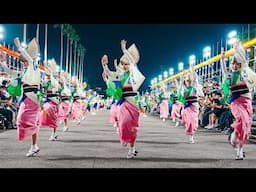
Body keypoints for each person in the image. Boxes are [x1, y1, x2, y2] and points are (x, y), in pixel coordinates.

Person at [101, 39, 145, 159]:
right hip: (124, 103)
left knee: (133, 128)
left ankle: (132, 149)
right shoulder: (120, 76)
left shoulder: (134, 74)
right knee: (123, 123)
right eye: (123, 64)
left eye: (127, 64)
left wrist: (124, 50)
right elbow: (110, 75)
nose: (125, 66)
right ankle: (124, 137)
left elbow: (133, 62)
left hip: (133, 103)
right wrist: (104, 65)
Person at [220, 41, 256, 160]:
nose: (234, 65)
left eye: (236, 63)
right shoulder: (229, 76)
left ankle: (239, 150)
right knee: (241, 119)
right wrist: (222, 59)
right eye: (233, 64)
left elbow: (244, 60)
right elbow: (224, 70)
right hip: (236, 102)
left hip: (247, 102)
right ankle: (235, 138)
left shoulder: (244, 72)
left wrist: (237, 49)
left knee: (245, 125)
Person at [14, 37, 41, 157]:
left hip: (32, 98)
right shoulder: (26, 71)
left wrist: (20, 47)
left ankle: (34, 146)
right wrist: (2, 63)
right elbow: (10, 72)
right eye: (23, 61)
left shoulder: (33, 65)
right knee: (27, 121)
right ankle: (34, 146)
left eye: (25, 60)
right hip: (27, 98)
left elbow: (30, 59)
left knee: (24, 120)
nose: (24, 62)